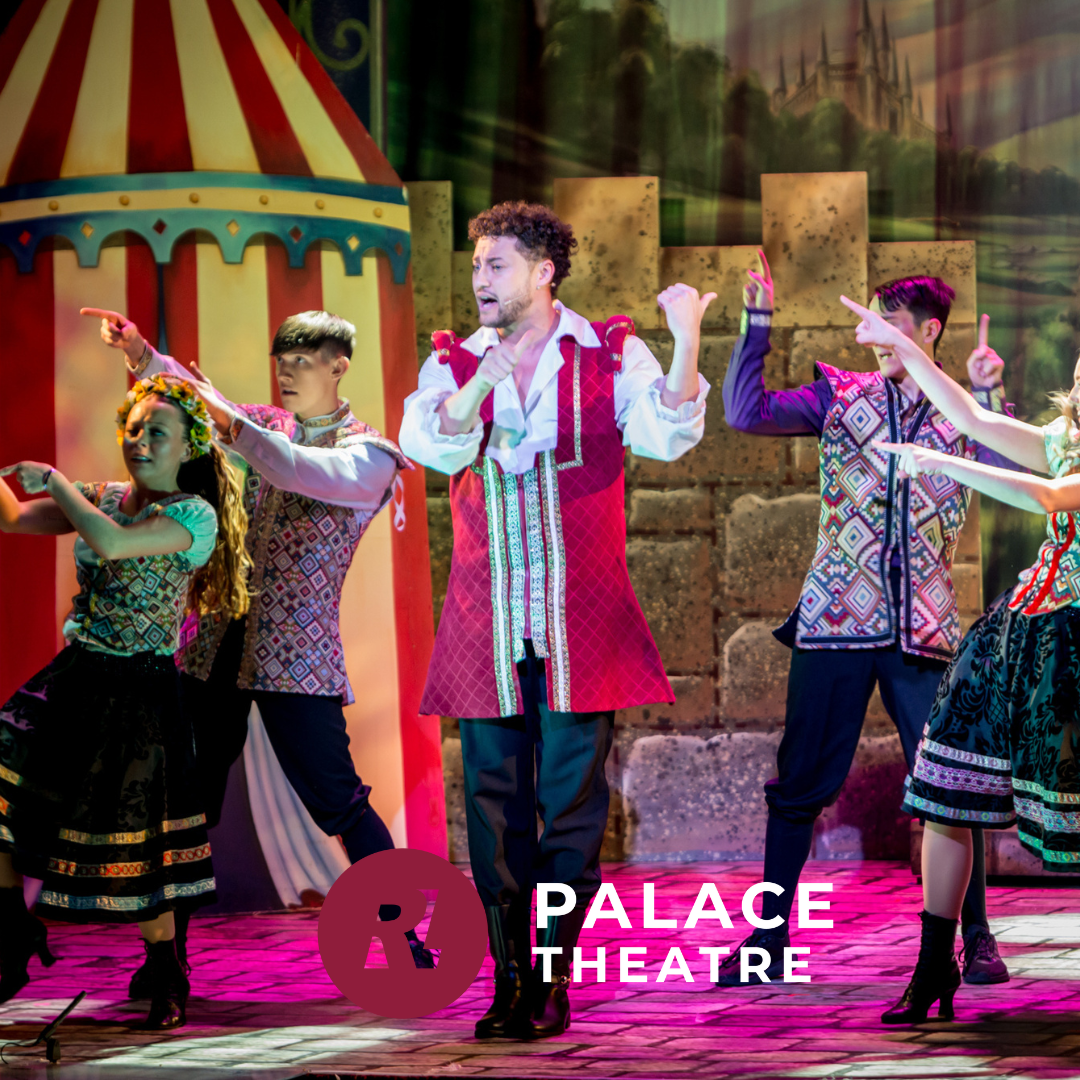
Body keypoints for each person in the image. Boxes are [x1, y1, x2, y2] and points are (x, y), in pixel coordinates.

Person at [399, 200, 714, 1039]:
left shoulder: (608, 350)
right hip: (487, 622)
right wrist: (481, 383)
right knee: (493, 806)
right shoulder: (452, 361)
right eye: (476, 265)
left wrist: (685, 339)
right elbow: (433, 445)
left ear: (543, 272)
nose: (480, 279)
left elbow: (666, 432)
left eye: (496, 265)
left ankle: (549, 978)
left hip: (582, 620)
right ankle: (508, 979)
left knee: (570, 809)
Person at [82, 306, 432, 992]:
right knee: (184, 803)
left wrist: (232, 426)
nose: (288, 374)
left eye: (303, 362)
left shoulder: (369, 455)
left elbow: (294, 467)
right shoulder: (265, 425)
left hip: (295, 652)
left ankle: (405, 939)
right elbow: (199, 401)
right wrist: (143, 355)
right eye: (283, 363)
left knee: (338, 801)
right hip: (217, 638)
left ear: (339, 366)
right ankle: (165, 961)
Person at [718, 254, 1014, 987]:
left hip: (924, 630)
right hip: (835, 623)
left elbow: (1012, 471)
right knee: (799, 784)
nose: (870, 334)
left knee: (951, 784)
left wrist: (988, 393)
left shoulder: (960, 411)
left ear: (929, 330)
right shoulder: (841, 395)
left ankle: (975, 937)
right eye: (870, 321)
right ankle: (767, 938)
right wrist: (757, 321)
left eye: (887, 322)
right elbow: (745, 412)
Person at [840, 294, 1080, 1023]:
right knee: (945, 787)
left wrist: (936, 463)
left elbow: (1051, 497)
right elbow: (972, 417)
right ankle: (933, 965)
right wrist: (905, 348)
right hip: (1026, 627)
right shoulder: (1065, 437)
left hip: (1070, 645)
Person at [0, 374, 249, 1028]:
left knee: (140, 848)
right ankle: (12, 932)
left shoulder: (193, 517)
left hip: (142, 692)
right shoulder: (103, 496)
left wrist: (56, 482)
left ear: (187, 447)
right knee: (8, 791)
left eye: (156, 432)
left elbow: (111, 542)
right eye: (133, 429)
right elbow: (14, 518)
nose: (140, 441)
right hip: (76, 677)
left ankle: (166, 972)